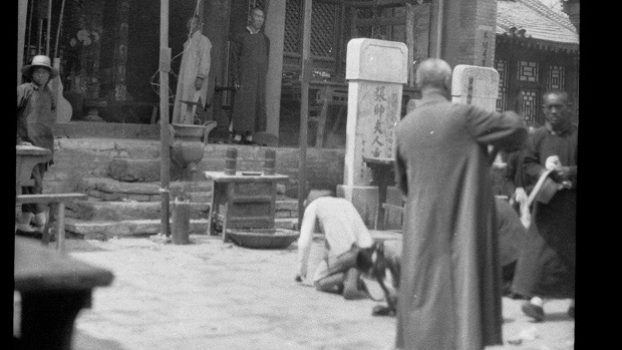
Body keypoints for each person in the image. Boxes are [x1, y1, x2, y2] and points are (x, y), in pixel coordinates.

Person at [393, 58, 527, 350]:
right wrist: (489, 148)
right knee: (461, 288)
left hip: (422, 225)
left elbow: (403, 185)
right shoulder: (463, 116)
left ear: (418, 84)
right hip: (463, 220)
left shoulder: (404, 127)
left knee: (425, 290)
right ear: (446, 83)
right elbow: (516, 129)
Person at [511, 90, 577, 322]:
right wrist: (544, 173)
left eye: (558, 106)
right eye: (549, 107)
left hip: (572, 206)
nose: (553, 111)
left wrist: (568, 172)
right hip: (547, 205)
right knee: (541, 255)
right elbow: (527, 164)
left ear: (569, 107)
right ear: (543, 110)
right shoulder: (537, 136)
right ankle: (537, 301)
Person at [295, 190, 373, 300]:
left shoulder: (313, 206)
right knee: (336, 261)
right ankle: (353, 281)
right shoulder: (344, 203)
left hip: (349, 255)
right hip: (366, 254)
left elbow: (304, 241)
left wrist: (300, 271)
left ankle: (348, 277)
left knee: (318, 281)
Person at [16, 55, 59, 233]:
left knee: (32, 184)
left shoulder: (49, 94)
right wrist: (19, 140)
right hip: (27, 147)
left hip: (44, 147)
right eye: (37, 71)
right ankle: (42, 222)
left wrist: (51, 147)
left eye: (44, 72)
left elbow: (49, 120)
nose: (41, 75)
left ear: (49, 75)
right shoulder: (24, 90)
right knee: (35, 184)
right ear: (32, 73)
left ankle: (24, 224)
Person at [230, 7, 270, 144]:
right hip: (244, 76)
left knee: (255, 105)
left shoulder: (265, 39)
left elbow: (266, 59)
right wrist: (236, 77)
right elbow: (234, 58)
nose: (259, 20)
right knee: (242, 104)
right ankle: (238, 133)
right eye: (257, 16)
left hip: (258, 78)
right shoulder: (241, 36)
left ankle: (250, 134)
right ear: (251, 18)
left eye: (262, 17)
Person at [172, 15, 212, 125]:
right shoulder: (188, 42)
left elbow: (205, 60)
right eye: (189, 23)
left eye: (193, 23)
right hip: (185, 79)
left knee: (193, 103)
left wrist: (200, 77)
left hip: (195, 80)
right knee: (183, 103)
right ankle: (181, 127)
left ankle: (191, 129)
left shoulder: (203, 40)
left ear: (199, 25)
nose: (190, 25)